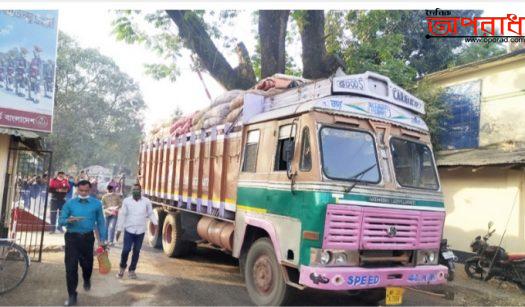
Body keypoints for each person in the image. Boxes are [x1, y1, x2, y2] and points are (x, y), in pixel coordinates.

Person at [58, 180, 107, 306]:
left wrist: (103, 239)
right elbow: (61, 221)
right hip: (72, 238)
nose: (83, 193)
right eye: (81, 191)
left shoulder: (96, 204)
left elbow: (101, 221)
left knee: (87, 265)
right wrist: (69, 220)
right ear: (77, 190)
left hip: (88, 238)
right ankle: (72, 296)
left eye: (86, 191)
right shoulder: (70, 204)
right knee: (71, 268)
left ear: (89, 190)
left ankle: (86, 279)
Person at [116, 184, 157, 279]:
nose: (136, 191)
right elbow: (122, 215)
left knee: (136, 251)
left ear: (141, 190)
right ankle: (121, 269)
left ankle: (132, 270)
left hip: (140, 231)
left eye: (137, 189)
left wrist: (156, 223)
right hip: (129, 230)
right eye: (134, 189)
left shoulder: (146, 201)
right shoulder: (126, 201)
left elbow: (150, 213)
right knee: (126, 250)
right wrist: (119, 229)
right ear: (131, 191)